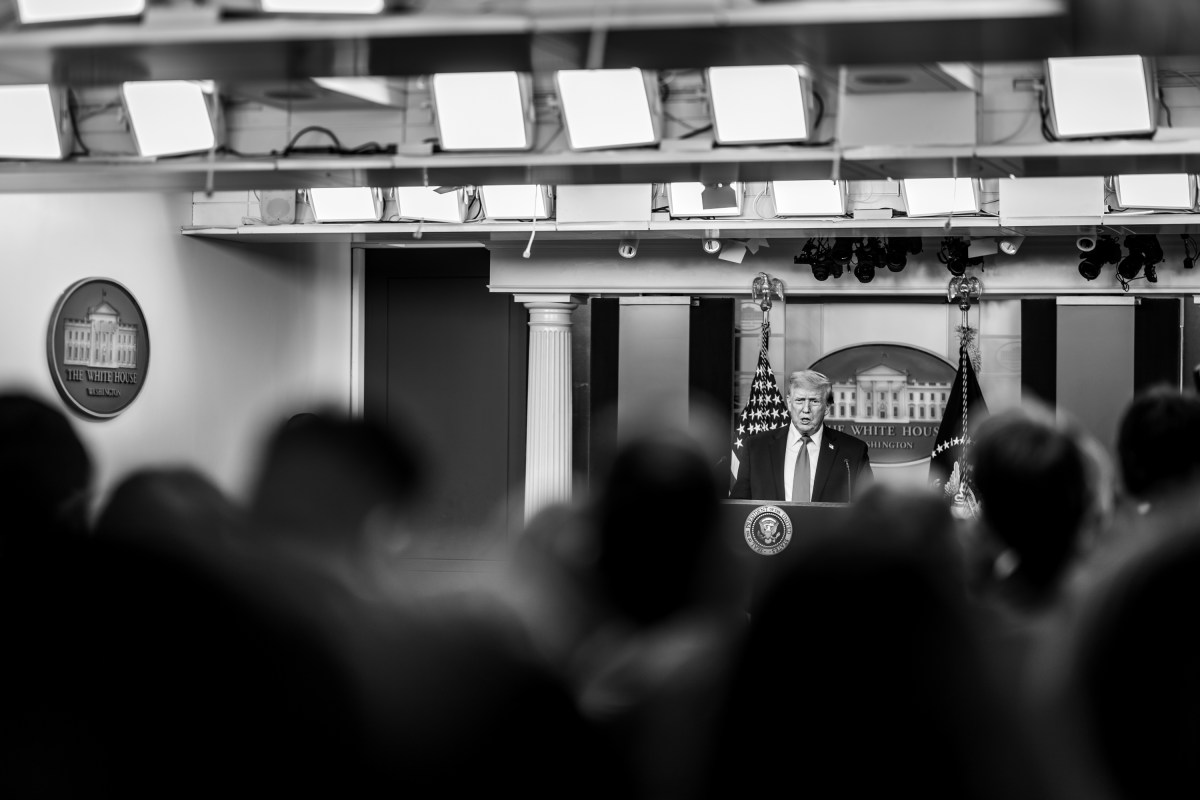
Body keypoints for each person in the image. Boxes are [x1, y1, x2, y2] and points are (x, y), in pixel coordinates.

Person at [728, 369, 872, 503]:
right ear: (789, 403)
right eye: (800, 400)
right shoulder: (756, 448)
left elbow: (869, 508)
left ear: (827, 407)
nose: (806, 409)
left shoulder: (853, 452)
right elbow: (740, 505)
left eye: (814, 401)